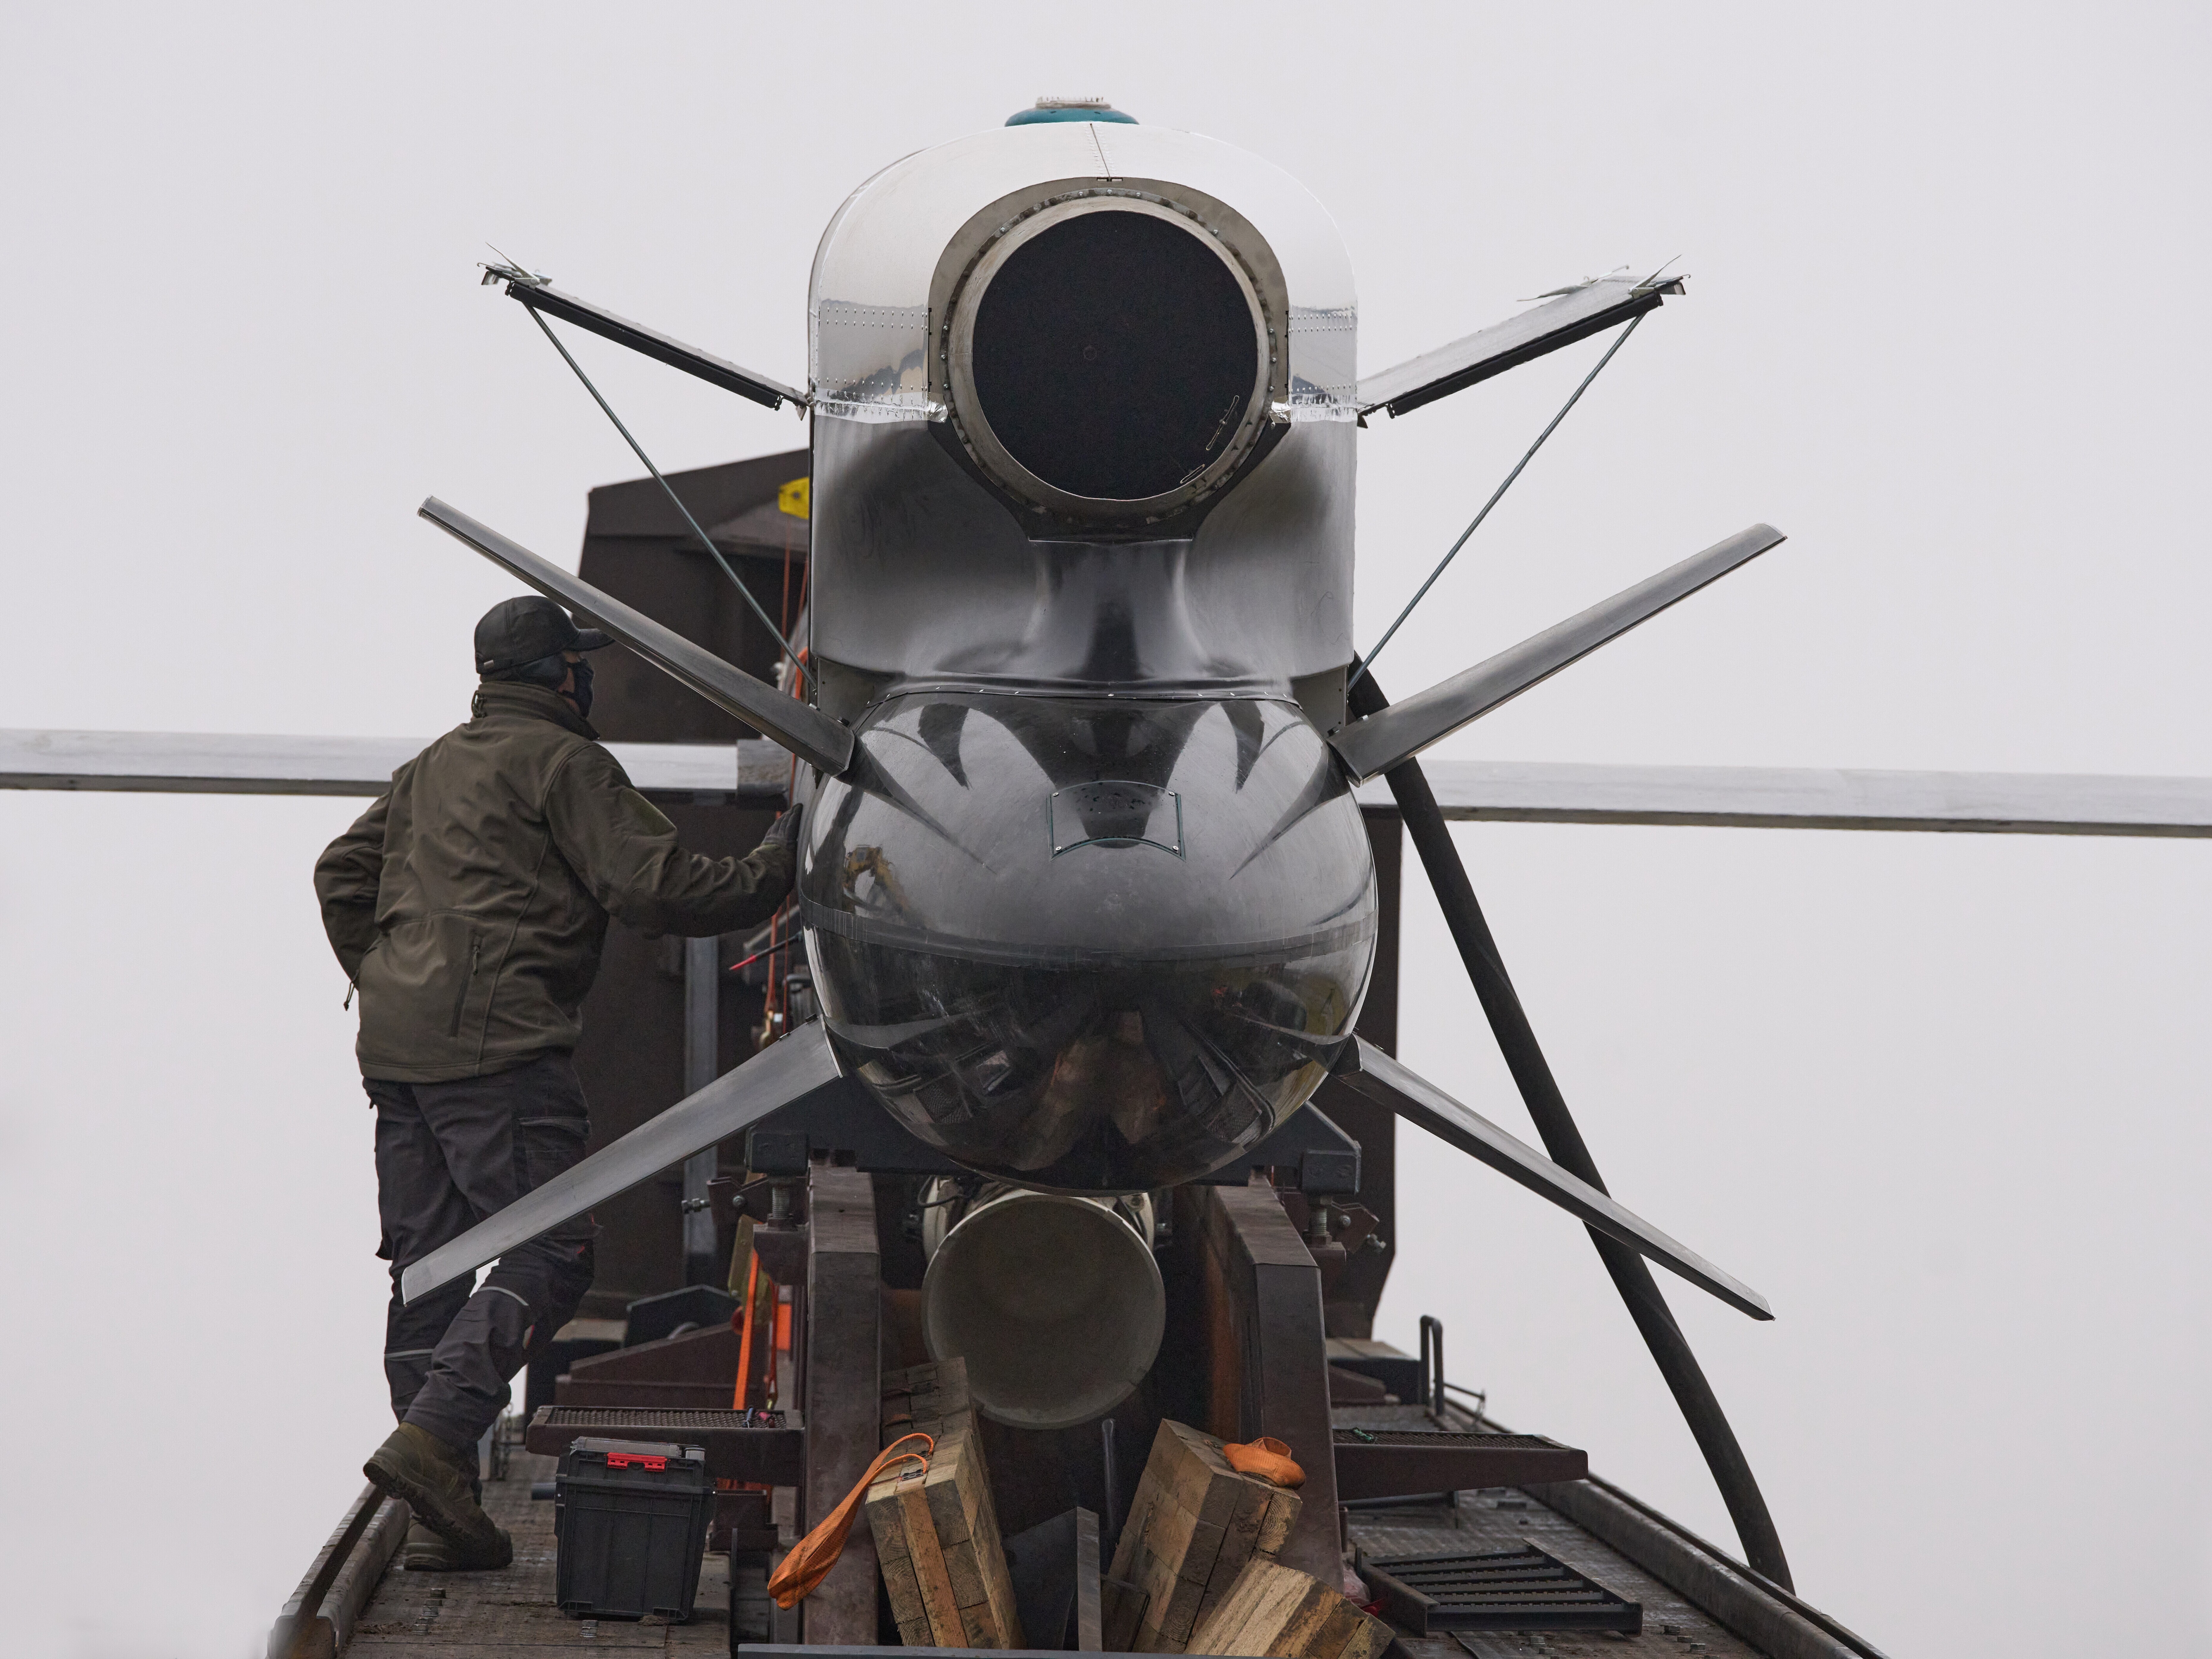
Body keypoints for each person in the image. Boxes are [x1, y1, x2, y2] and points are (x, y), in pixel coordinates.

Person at [314, 595, 801, 1570]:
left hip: (400, 1051)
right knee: (557, 1246)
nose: (591, 678)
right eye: (581, 664)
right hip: (499, 1054)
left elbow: (340, 873)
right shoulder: (566, 763)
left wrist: (384, 972)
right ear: (556, 676)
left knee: (432, 1263)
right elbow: (655, 888)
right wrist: (781, 862)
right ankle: (433, 1439)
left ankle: (437, 1485)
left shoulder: (433, 766)